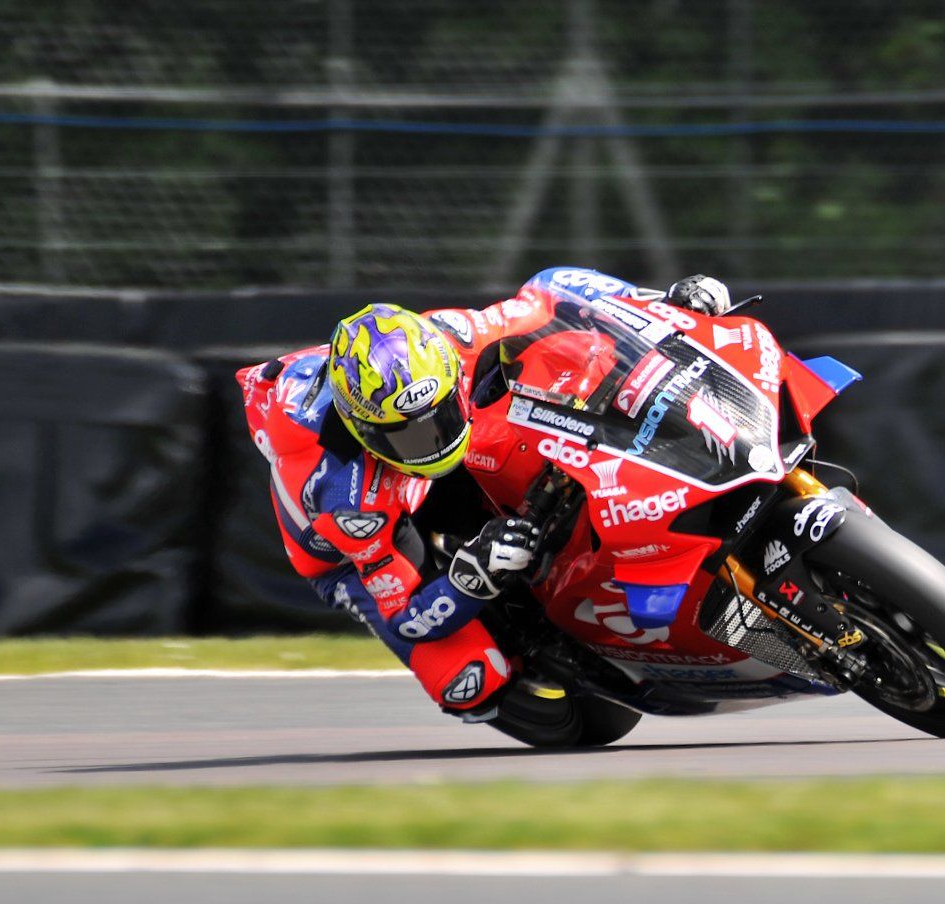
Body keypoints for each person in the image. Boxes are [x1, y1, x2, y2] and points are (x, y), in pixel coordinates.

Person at [236, 268, 732, 745]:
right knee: (465, 681)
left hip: (419, 451)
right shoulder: (347, 498)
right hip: (352, 547)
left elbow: (552, 290)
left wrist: (662, 303)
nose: (432, 440)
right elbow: (406, 616)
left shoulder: (449, 337)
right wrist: (471, 576)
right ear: (364, 430)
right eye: (407, 434)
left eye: (442, 413)